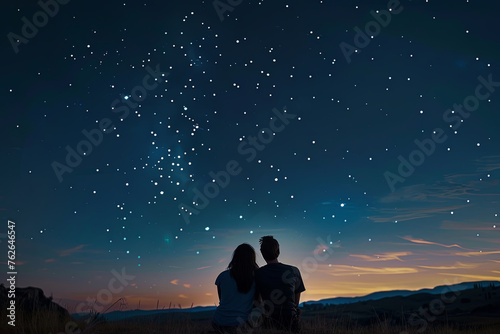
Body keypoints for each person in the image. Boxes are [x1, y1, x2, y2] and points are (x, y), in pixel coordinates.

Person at [255, 236, 305, 333]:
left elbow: (257, 299)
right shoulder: (293, 271)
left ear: (262, 253)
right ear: (278, 251)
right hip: (290, 319)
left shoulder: (258, 274)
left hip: (268, 320)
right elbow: (296, 298)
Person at [212, 243, 259, 333]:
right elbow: (257, 303)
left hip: (218, 322)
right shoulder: (256, 276)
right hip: (242, 324)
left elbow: (221, 300)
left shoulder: (222, 276)